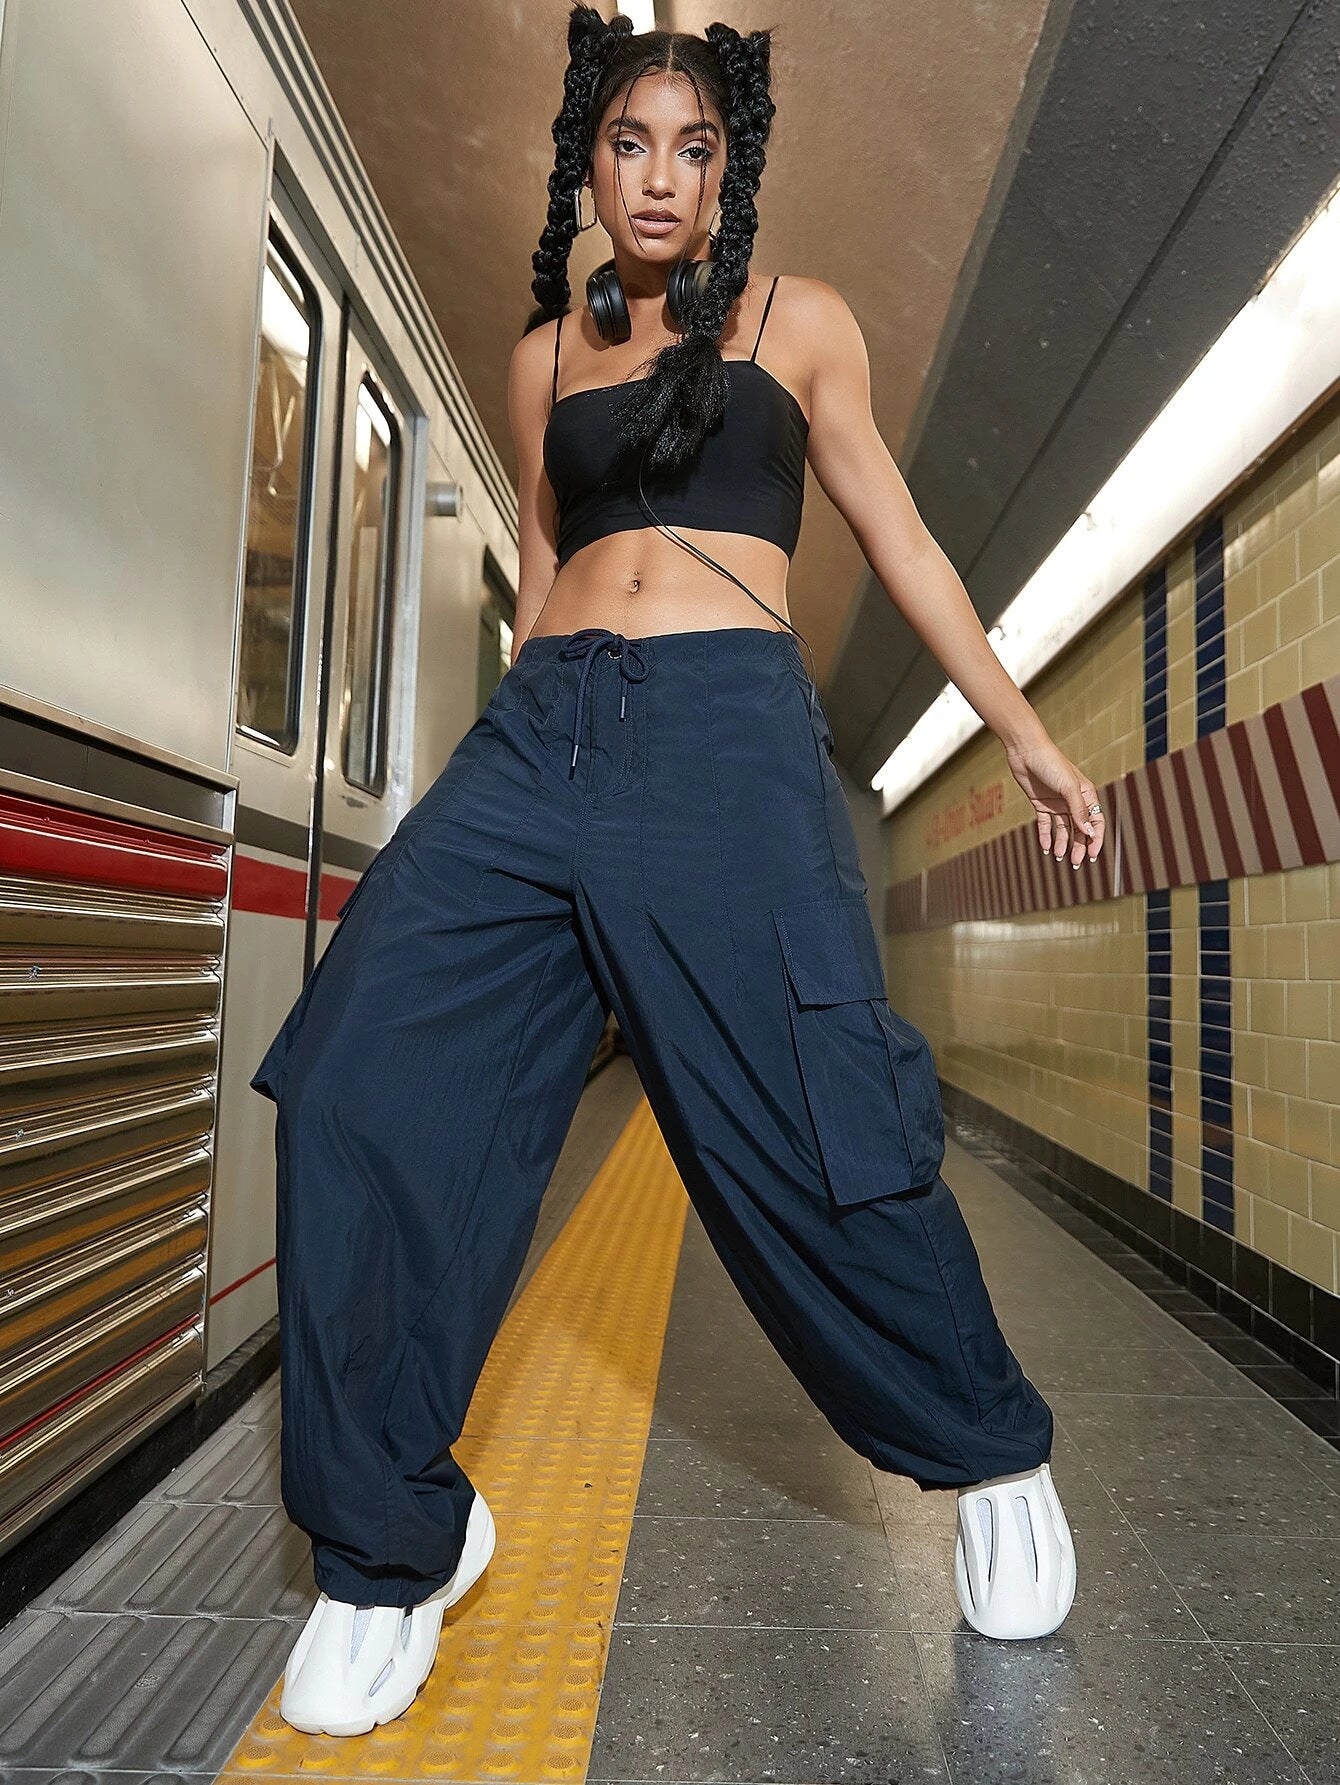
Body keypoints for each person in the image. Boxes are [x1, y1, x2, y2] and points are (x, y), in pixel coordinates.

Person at [253, 4, 1105, 1738]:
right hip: (542, 738)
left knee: (813, 1114)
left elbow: (900, 536)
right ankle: (393, 1540)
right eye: (629, 142)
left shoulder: (803, 325)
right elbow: (540, 581)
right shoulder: (541, 362)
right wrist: (500, 798)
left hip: (729, 740)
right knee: (355, 1072)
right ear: (589, 156)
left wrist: (1019, 727)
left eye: (694, 149)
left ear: (731, 173)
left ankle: (988, 1444)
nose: (658, 177)